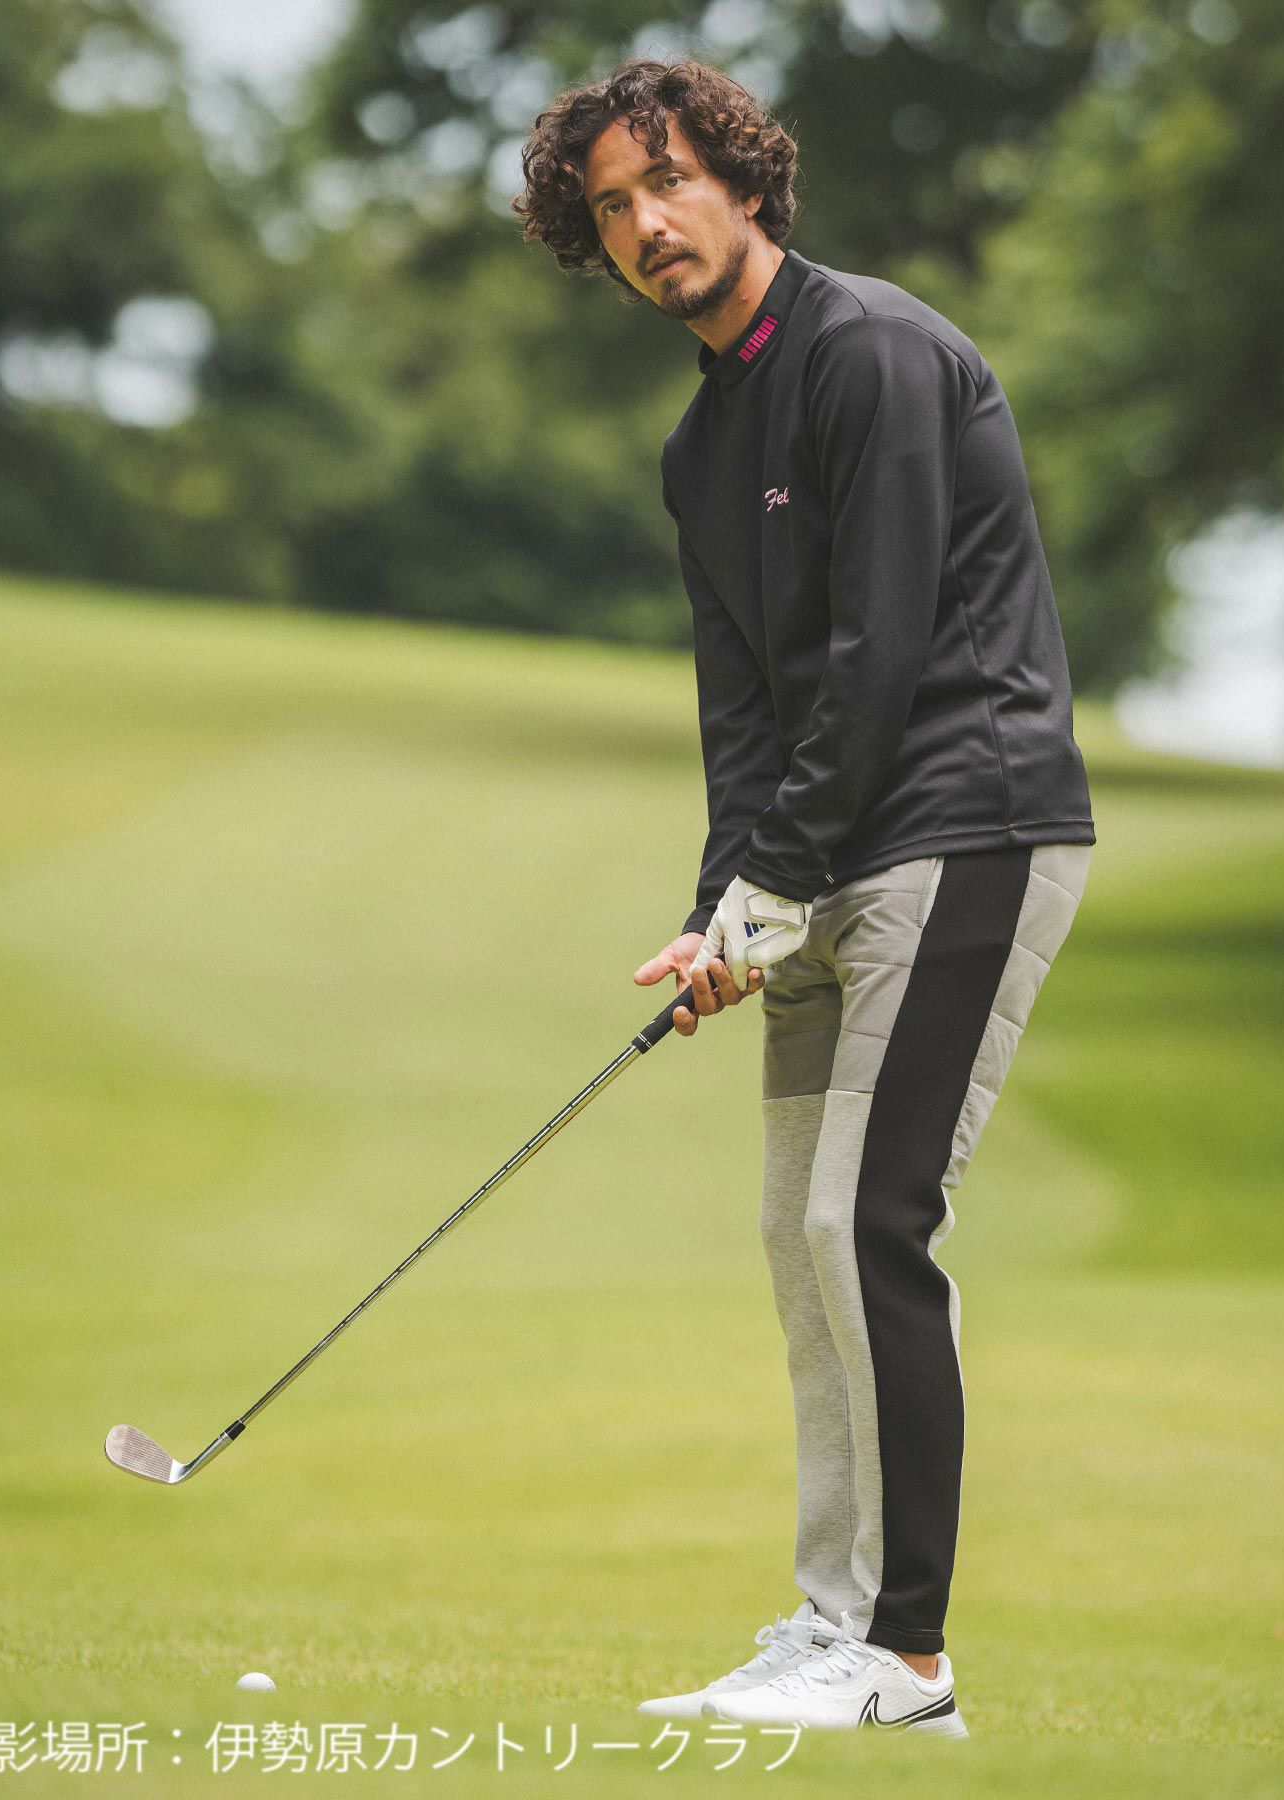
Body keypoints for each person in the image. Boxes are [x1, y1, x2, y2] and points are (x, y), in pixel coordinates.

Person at [514, 57, 1095, 1736]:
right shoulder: (703, 445)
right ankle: (833, 1622)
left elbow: (882, 648)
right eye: (611, 208)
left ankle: (904, 1657)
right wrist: (724, 914)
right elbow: (750, 713)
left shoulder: (873, 352)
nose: (646, 224)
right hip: (828, 861)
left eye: (668, 180)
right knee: (799, 1233)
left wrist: (773, 884)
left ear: (744, 177)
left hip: (966, 831)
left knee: (868, 1221)